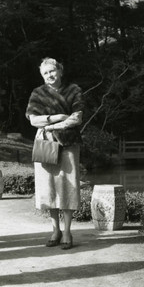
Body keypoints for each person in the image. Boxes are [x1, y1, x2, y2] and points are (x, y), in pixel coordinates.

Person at [25, 57, 84, 250]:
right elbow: (33, 119)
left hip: (68, 143)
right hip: (45, 143)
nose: (50, 75)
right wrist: (55, 118)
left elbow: (76, 118)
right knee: (48, 187)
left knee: (68, 186)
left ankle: (67, 231)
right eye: (45, 73)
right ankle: (55, 229)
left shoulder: (74, 90)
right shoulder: (38, 93)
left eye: (52, 71)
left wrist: (52, 126)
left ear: (60, 70)